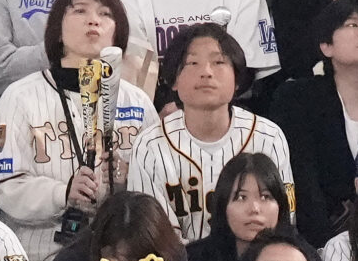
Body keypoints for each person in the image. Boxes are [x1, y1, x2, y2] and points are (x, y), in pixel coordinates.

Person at [0, 0, 152, 260]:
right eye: (80, 10)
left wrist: (131, 179)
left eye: (105, 13)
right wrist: (63, 192)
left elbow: (157, 184)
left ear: (119, 32)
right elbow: (7, 188)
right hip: (40, 256)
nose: (93, 21)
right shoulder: (20, 96)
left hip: (123, 259)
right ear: (57, 28)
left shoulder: (136, 101)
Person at [119, 26, 292, 240]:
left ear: (237, 80)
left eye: (219, 62)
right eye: (192, 63)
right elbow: (153, 235)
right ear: (173, 80)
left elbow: (285, 219)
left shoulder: (269, 137)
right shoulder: (150, 145)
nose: (206, 72)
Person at [270, 0, 358, 241]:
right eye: (352, 24)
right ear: (326, 46)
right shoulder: (296, 99)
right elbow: (300, 179)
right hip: (308, 244)